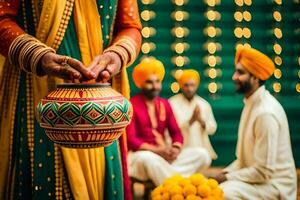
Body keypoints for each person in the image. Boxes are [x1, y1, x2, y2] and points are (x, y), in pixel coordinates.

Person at [0, 1, 141, 199]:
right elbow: (2, 18)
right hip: (36, 91)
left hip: (102, 102)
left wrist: (118, 54)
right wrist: (37, 56)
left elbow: (130, 27)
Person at [212, 46, 297, 200]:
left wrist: (227, 178)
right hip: (261, 181)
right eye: (236, 71)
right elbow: (245, 162)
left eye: (240, 73)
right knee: (217, 188)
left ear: (256, 78)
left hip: (276, 186)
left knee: (224, 194)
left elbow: (264, 171)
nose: (234, 77)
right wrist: (225, 173)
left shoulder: (265, 113)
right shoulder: (251, 103)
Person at [126, 57, 209, 186]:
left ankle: (169, 180)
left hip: (163, 157)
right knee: (148, 159)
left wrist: (175, 148)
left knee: (202, 154)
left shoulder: (165, 104)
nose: (155, 86)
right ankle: (179, 186)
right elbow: (131, 140)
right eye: (149, 82)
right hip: (140, 157)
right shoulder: (132, 104)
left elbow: (176, 133)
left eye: (157, 81)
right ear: (141, 83)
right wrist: (158, 150)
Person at [169, 69, 217, 168]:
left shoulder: (204, 104)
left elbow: (212, 128)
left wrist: (200, 121)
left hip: (200, 149)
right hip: (180, 151)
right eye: (186, 85)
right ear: (181, 85)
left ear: (197, 85)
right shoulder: (172, 103)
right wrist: (190, 121)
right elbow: (170, 129)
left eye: (192, 85)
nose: (189, 89)